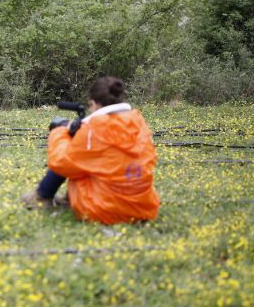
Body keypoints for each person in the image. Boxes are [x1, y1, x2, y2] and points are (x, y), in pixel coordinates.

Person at [21, 76, 159, 224]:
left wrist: (60, 133)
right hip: (142, 208)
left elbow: (61, 163)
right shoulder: (139, 123)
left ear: (94, 103)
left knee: (71, 160)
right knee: (92, 162)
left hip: (104, 210)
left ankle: (41, 198)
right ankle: (65, 199)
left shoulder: (95, 128)